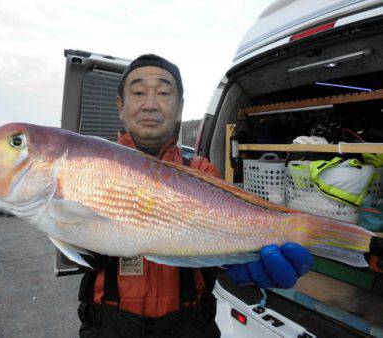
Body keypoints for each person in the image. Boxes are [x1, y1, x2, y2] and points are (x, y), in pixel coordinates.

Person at [77, 54, 313, 337]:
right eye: (138, 92)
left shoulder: (201, 171)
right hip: (108, 324)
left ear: (180, 108)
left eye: (164, 93)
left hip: (190, 325)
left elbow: (219, 244)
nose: (150, 104)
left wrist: (237, 261)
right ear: (120, 106)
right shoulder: (90, 167)